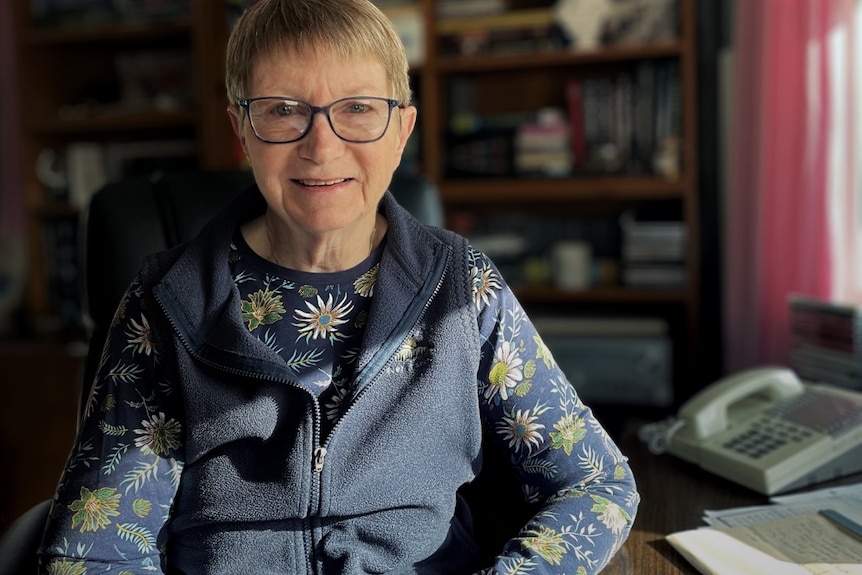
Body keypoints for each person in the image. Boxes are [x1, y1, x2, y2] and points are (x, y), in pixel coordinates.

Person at [38, 0, 639, 573]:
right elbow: (96, 549)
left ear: (402, 130)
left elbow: (597, 484)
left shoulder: (463, 290)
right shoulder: (167, 302)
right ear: (241, 131)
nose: (321, 146)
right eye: (282, 109)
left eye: (357, 108)